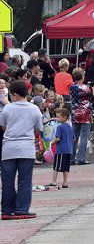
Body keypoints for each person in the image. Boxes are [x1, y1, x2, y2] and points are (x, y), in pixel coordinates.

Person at [0, 80, 43, 219]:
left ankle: (7, 209)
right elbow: (38, 128)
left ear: (15, 94)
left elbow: (3, 126)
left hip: (9, 148)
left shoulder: (7, 108)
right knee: (24, 180)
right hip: (26, 148)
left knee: (7, 180)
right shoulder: (34, 109)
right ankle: (22, 208)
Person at [69, 68, 94, 165]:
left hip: (75, 112)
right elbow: (92, 99)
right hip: (85, 113)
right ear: (82, 76)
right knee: (84, 136)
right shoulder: (86, 88)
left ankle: (71, 158)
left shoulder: (72, 87)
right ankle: (81, 158)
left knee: (74, 136)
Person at [49, 108, 74, 189]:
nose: (57, 119)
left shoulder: (60, 127)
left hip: (61, 150)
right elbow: (73, 138)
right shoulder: (70, 127)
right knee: (66, 167)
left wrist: (52, 142)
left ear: (64, 117)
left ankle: (54, 181)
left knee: (56, 166)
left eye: (58, 117)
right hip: (69, 150)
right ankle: (65, 182)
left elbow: (58, 138)